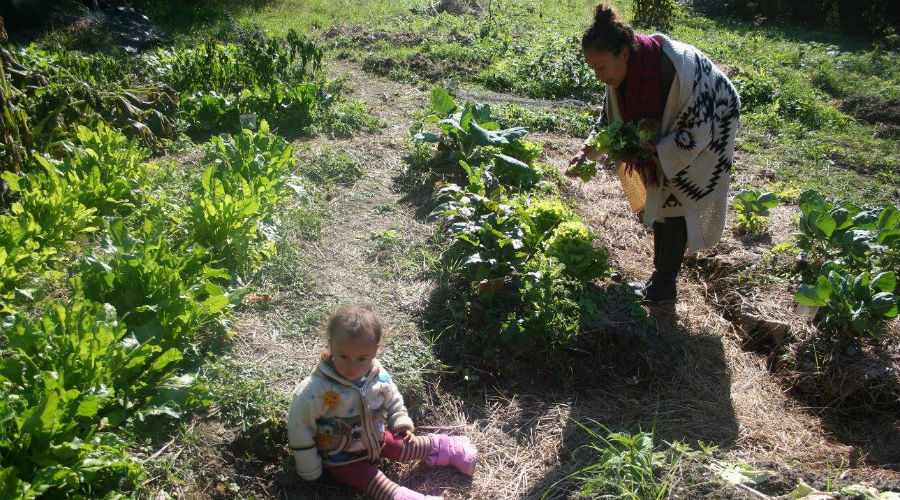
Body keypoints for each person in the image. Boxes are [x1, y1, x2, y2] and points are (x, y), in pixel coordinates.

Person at [567, 3, 740, 304]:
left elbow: (696, 134)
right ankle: (660, 280)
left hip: (714, 117)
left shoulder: (669, 70)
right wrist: (586, 151)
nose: (598, 76)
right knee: (660, 194)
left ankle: (663, 286)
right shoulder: (621, 75)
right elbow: (609, 119)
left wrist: (654, 149)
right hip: (685, 125)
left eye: (601, 68)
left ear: (623, 54)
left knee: (675, 198)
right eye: (592, 69)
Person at [287, 304, 477, 500]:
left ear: (375, 351)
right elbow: (299, 428)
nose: (351, 366)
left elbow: (392, 397)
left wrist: (400, 420)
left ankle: (448, 446)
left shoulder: (376, 374)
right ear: (330, 344)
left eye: (362, 358)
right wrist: (309, 468)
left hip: (378, 438)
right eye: (343, 356)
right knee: (372, 479)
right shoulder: (314, 390)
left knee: (403, 447)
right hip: (341, 457)